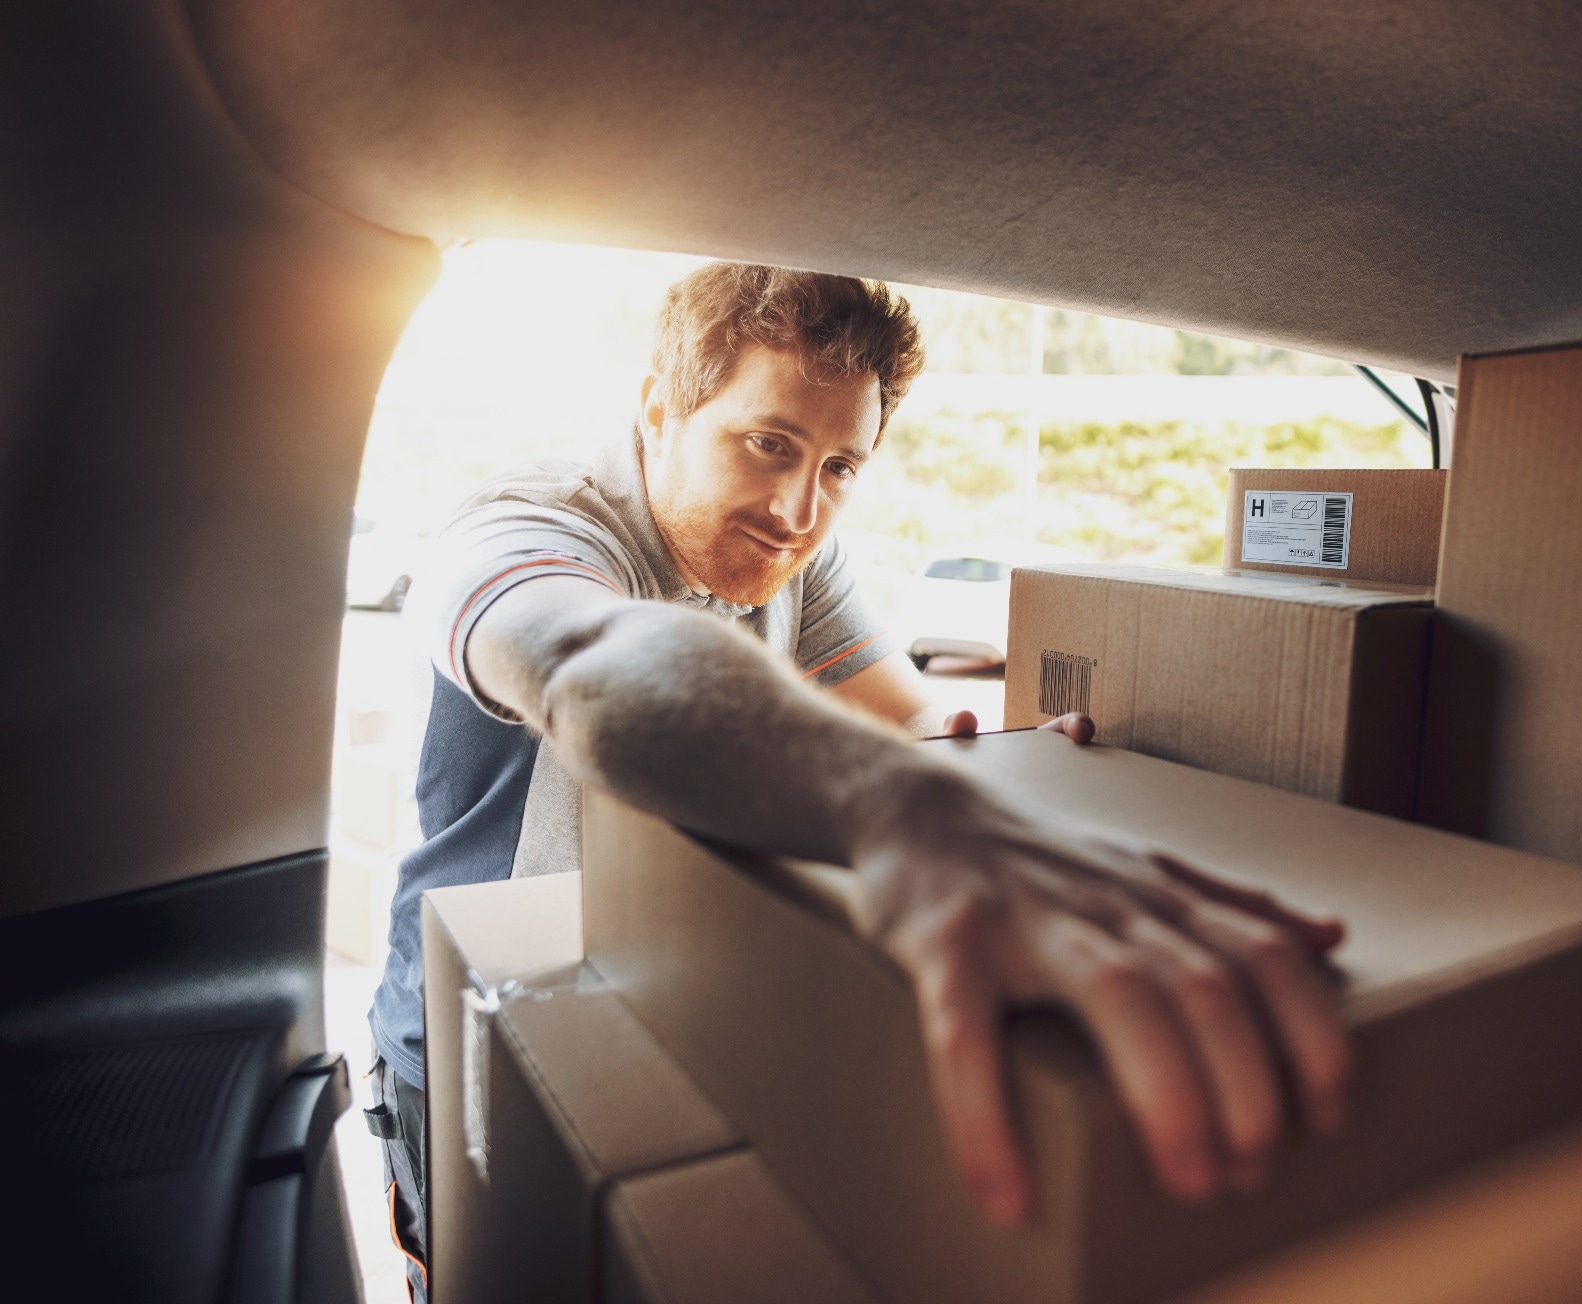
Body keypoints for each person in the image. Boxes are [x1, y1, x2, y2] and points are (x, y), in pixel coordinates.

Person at [364, 264, 1351, 1301]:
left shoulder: (792, 548)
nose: (799, 507)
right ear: (660, 408)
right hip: (474, 1027)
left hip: (665, 990)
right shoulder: (526, 527)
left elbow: (912, 714)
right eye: (767, 443)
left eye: (841, 466)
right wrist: (893, 801)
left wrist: (1017, 758)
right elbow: (587, 662)